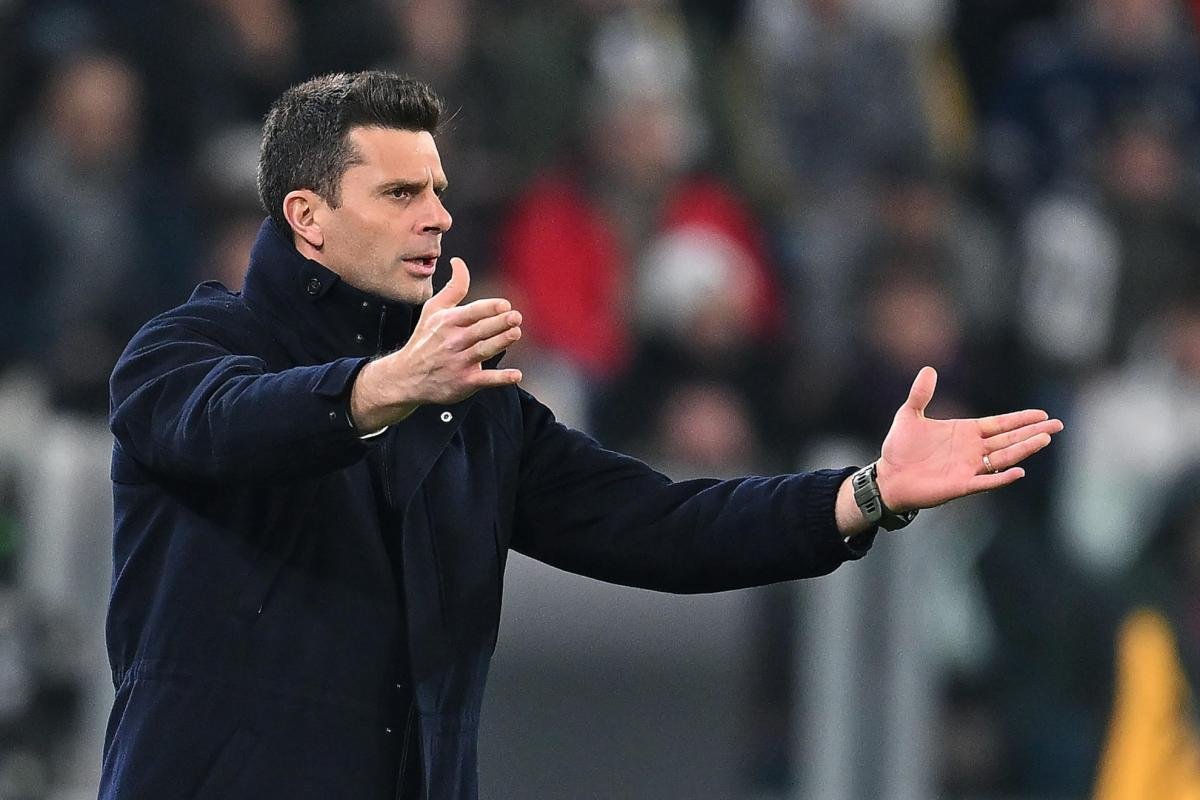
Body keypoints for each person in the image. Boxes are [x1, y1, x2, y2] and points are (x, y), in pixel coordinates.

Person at [99, 71, 1062, 800]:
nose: (438, 217)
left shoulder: (470, 408)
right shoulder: (184, 350)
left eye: (438, 189)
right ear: (307, 217)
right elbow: (223, 425)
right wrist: (387, 385)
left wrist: (863, 493)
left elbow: (660, 524)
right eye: (399, 194)